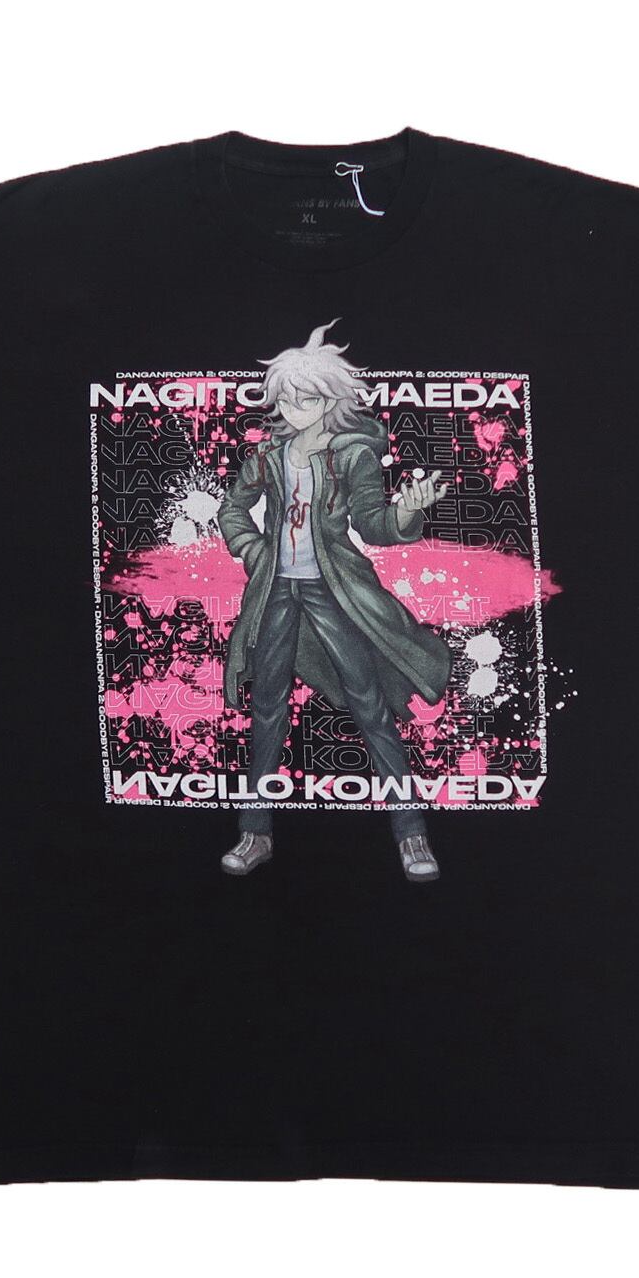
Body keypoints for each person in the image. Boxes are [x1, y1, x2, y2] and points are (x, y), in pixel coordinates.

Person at [217, 320, 452, 881]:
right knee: (267, 708)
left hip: (334, 592)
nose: (294, 409)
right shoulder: (269, 455)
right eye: (287, 399)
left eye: (307, 398)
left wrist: (406, 511)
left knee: (369, 704)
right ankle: (255, 833)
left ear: (331, 399)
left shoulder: (352, 455)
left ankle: (411, 834)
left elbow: (372, 523)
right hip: (275, 591)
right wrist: (254, 551)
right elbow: (232, 509)